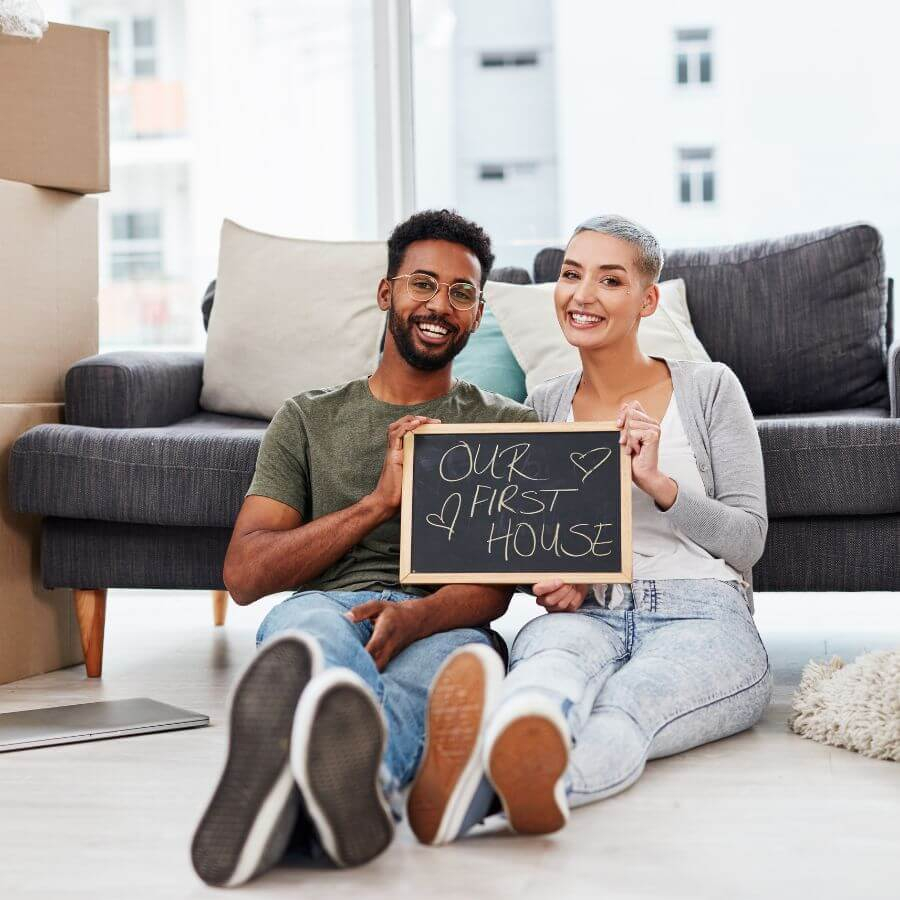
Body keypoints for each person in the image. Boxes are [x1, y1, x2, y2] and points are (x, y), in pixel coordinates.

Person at [190, 209, 537, 887]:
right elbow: (246, 573)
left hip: (444, 619)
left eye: (461, 293)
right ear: (387, 294)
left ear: (476, 312)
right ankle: (350, 794)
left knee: (454, 673)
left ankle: (312, 792)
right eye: (423, 285)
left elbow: (498, 588)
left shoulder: (507, 424)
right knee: (311, 644)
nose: (440, 305)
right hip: (328, 607)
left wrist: (416, 618)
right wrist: (379, 502)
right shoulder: (308, 418)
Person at [409, 214, 773, 843]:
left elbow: (748, 540)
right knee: (543, 683)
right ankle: (487, 769)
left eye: (610, 281)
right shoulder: (545, 403)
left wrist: (660, 487)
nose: (582, 295)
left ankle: (486, 796)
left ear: (647, 300)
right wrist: (551, 580)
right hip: (587, 612)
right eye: (572, 275)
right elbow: (532, 540)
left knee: (624, 708)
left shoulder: (710, 388)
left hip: (702, 612)